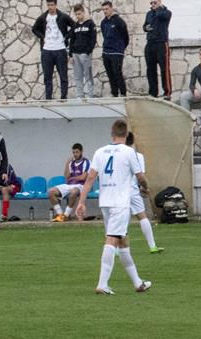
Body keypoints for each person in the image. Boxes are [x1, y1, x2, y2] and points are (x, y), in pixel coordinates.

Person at [75, 119, 152, 295]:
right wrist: (146, 188)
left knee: (123, 240)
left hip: (105, 202)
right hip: (120, 203)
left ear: (112, 133)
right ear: (126, 134)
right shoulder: (128, 152)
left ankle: (138, 283)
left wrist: (81, 202)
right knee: (112, 239)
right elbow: (140, 176)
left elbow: (90, 178)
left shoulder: (100, 152)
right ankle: (102, 284)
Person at [31, 0, 75, 100]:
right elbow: (34, 29)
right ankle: (48, 98)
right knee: (47, 77)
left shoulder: (63, 16)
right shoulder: (43, 17)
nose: (50, 7)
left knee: (63, 76)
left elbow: (74, 26)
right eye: (48, 5)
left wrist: (66, 36)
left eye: (51, 5)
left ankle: (63, 97)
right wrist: (42, 37)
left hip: (60, 49)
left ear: (55, 5)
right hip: (47, 50)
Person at [126, 132, 163, 254]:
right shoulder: (138, 156)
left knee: (120, 221)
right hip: (133, 190)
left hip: (119, 192)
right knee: (142, 217)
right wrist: (144, 188)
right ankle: (152, 246)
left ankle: (116, 249)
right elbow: (141, 175)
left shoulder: (117, 155)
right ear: (133, 141)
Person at [49, 143, 91, 222]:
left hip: (80, 185)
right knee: (51, 191)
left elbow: (83, 177)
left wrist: (73, 178)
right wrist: (67, 163)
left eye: (77, 152)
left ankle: (66, 215)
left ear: (81, 151)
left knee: (73, 192)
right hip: (69, 184)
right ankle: (60, 215)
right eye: (73, 152)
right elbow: (66, 176)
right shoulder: (71, 163)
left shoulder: (87, 162)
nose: (75, 154)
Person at [143, 0, 173, 99]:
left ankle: (167, 92)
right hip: (150, 43)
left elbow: (161, 15)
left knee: (164, 69)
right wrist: (146, 28)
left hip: (161, 43)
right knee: (150, 69)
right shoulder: (149, 13)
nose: (152, 5)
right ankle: (153, 92)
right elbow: (144, 26)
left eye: (154, 3)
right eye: (151, 3)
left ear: (160, 2)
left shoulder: (166, 12)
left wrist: (159, 8)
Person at [177, 47, 201, 129]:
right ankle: (187, 121)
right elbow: (191, 84)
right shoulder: (196, 69)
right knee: (184, 95)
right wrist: (194, 90)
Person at [99, 1, 129, 97]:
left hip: (117, 52)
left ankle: (123, 93)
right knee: (110, 74)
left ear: (111, 8)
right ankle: (114, 94)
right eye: (103, 9)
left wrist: (120, 47)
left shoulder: (119, 21)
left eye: (106, 9)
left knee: (117, 73)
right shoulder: (103, 22)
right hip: (106, 52)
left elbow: (125, 36)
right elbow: (104, 35)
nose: (105, 11)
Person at [68, 4, 97, 99]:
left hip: (85, 54)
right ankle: (79, 95)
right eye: (76, 14)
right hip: (75, 54)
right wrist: (70, 55)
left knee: (88, 75)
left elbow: (93, 39)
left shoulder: (90, 24)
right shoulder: (75, 25)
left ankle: (90, 95)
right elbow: (72, 40)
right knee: (78, 76)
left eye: (79, 14)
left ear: (83, 12)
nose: (78, 16)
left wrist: (88, 51)